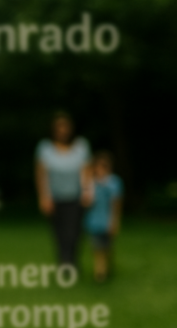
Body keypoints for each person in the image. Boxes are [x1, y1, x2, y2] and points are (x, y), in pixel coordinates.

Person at [35, 112, 93, 266]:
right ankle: (64, 264)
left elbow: (87, 172)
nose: (63, 131)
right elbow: (41, 175)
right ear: (54, 130)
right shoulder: (45, 148)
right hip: (55, 199)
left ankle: (72, 262)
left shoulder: (81, 147)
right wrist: (43, 198)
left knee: (74, 234)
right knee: (59, 235)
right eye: (59, 128)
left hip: (76, 198)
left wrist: (88, 192)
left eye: (65, 127)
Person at [84, 151, 123, 282]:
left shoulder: (114, 183)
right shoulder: (91, 184)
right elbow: (86, 202)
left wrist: (115, 222)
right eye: (97, 166)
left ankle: (107, 267)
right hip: (94, 221)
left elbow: (116, 204)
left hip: (107, 221)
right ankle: (100, 272)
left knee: (107, 247)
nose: (100, 169)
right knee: (97, 248)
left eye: (103, 166)